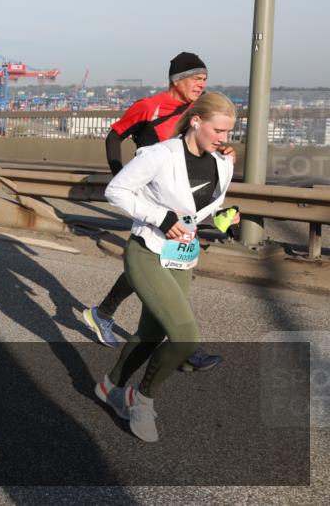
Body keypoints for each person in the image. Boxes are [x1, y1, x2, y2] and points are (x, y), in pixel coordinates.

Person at [96, 93, 238, 442]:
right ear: (195, 122)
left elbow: (200, 208)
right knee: (185, 333)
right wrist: (160, 216)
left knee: (153, 334)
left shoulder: (224, 162)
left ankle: (109, 386)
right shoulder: (158, 155)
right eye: (218, 130)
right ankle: (141, 398)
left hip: (182, 255)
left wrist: (224, 219)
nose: (224, 139)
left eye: (229, 132)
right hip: (147, 251)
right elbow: (116, 191)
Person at [82, 52, 226, 373]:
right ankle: (185, 343)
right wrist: (120, 175)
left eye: (204, 79)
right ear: (177, 80)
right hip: (152, 202)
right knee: (160, 264)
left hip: (180, 202)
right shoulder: (149, 107)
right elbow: (114, 135)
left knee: (158, 262)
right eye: (196, 78)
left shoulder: (195, 113)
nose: (202, 83)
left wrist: (221, 150)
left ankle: (103, 314)